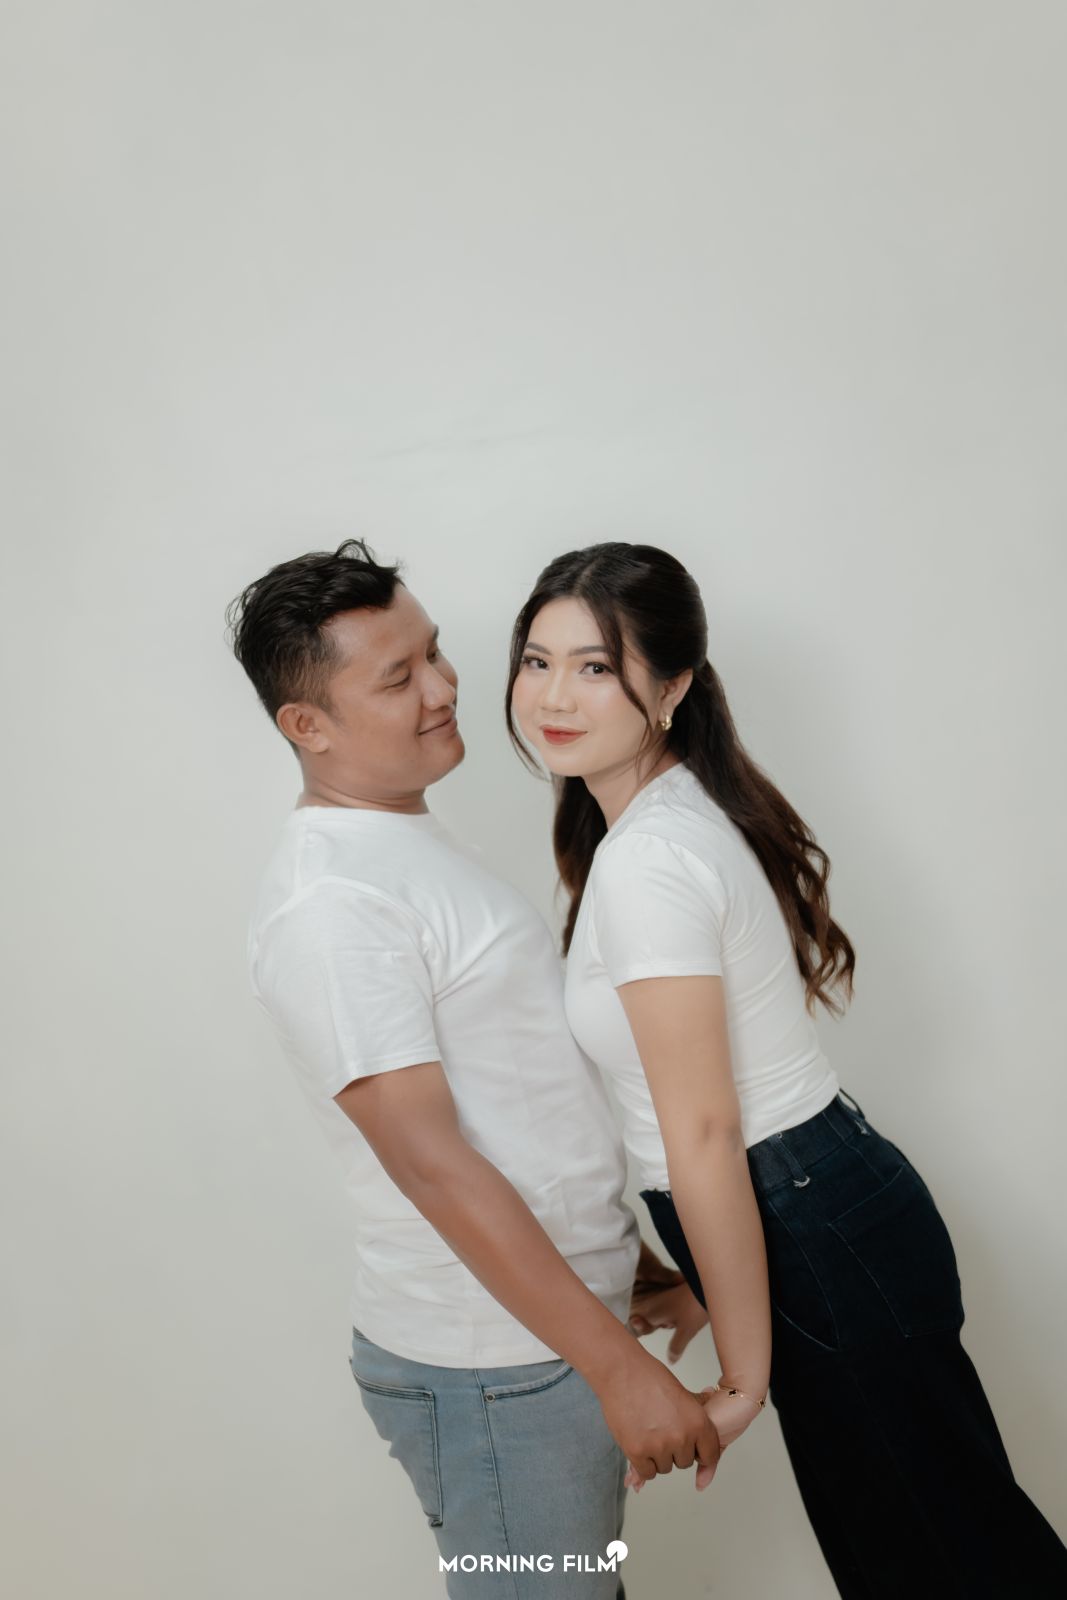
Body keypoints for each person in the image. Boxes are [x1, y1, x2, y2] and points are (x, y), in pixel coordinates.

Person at [507, 540, 1067, 1598]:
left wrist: (743, 1376)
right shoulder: (658, 820)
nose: (553, 696)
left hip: (805, 1218)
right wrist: (710, 1284)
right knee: (946, 1544)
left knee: (944, 1559)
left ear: (672, 687)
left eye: (594, 666)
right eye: (536, 661)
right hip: (813, 1211)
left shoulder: (648, 859)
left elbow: (705, 1131)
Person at [225, 539, 721, 1600]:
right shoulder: (332, 907)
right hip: (494, 1365)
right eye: (397, 677)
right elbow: (432, 1165)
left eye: (436, 653)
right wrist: (616, 1368)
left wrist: (629, 1267)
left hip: (538, 1340)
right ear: (307, 726)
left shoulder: (406, 845)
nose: (446, 688)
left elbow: (520, 1093)